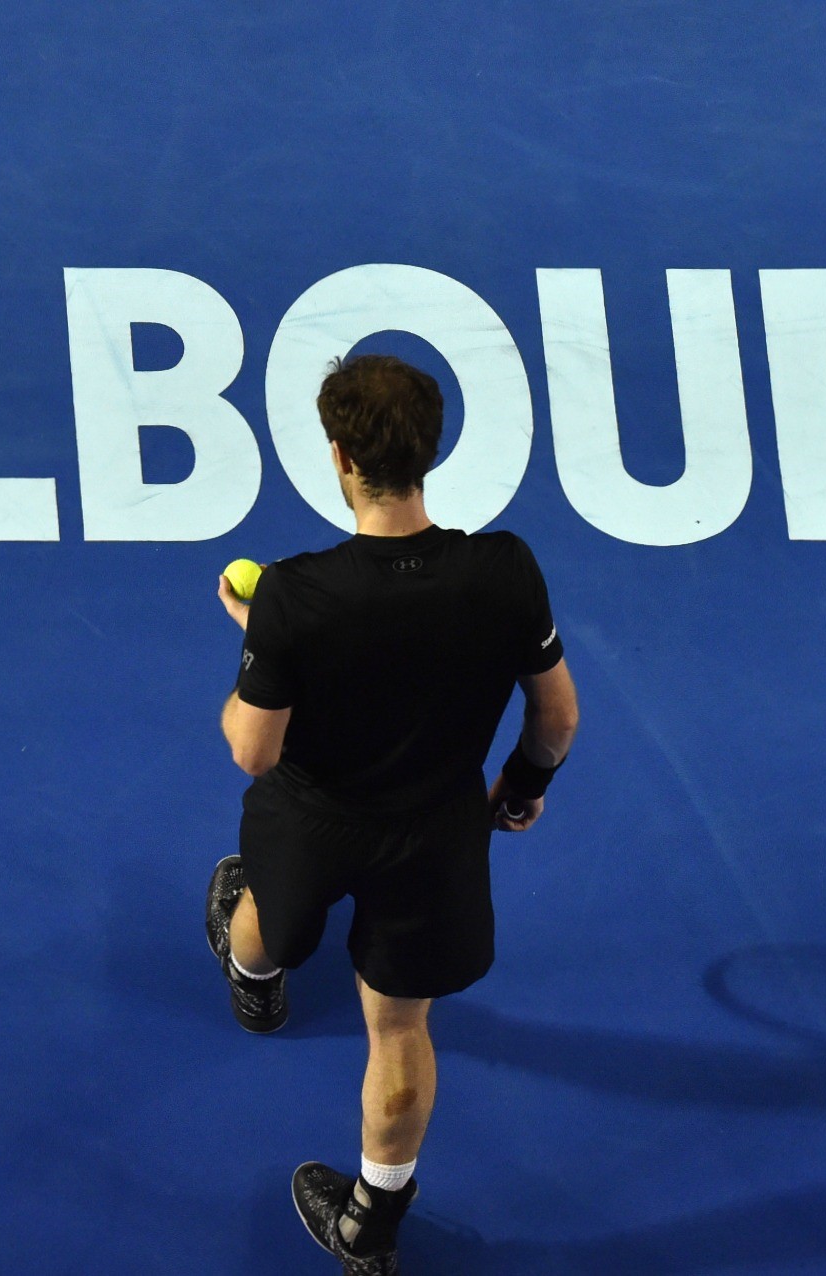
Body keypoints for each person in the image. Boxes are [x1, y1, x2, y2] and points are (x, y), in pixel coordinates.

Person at [204, 354, 580, 1275]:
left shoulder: (294, 594)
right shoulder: (504, 570)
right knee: (402, 1029)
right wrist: (520, 789)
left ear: (339, 457)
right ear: (431, 453)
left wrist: (263, 645)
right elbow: (556, 716)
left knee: (257, 914)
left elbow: (253, 750)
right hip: (437, 828)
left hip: (316, 819)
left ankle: (257, 987)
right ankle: (371, 1225)